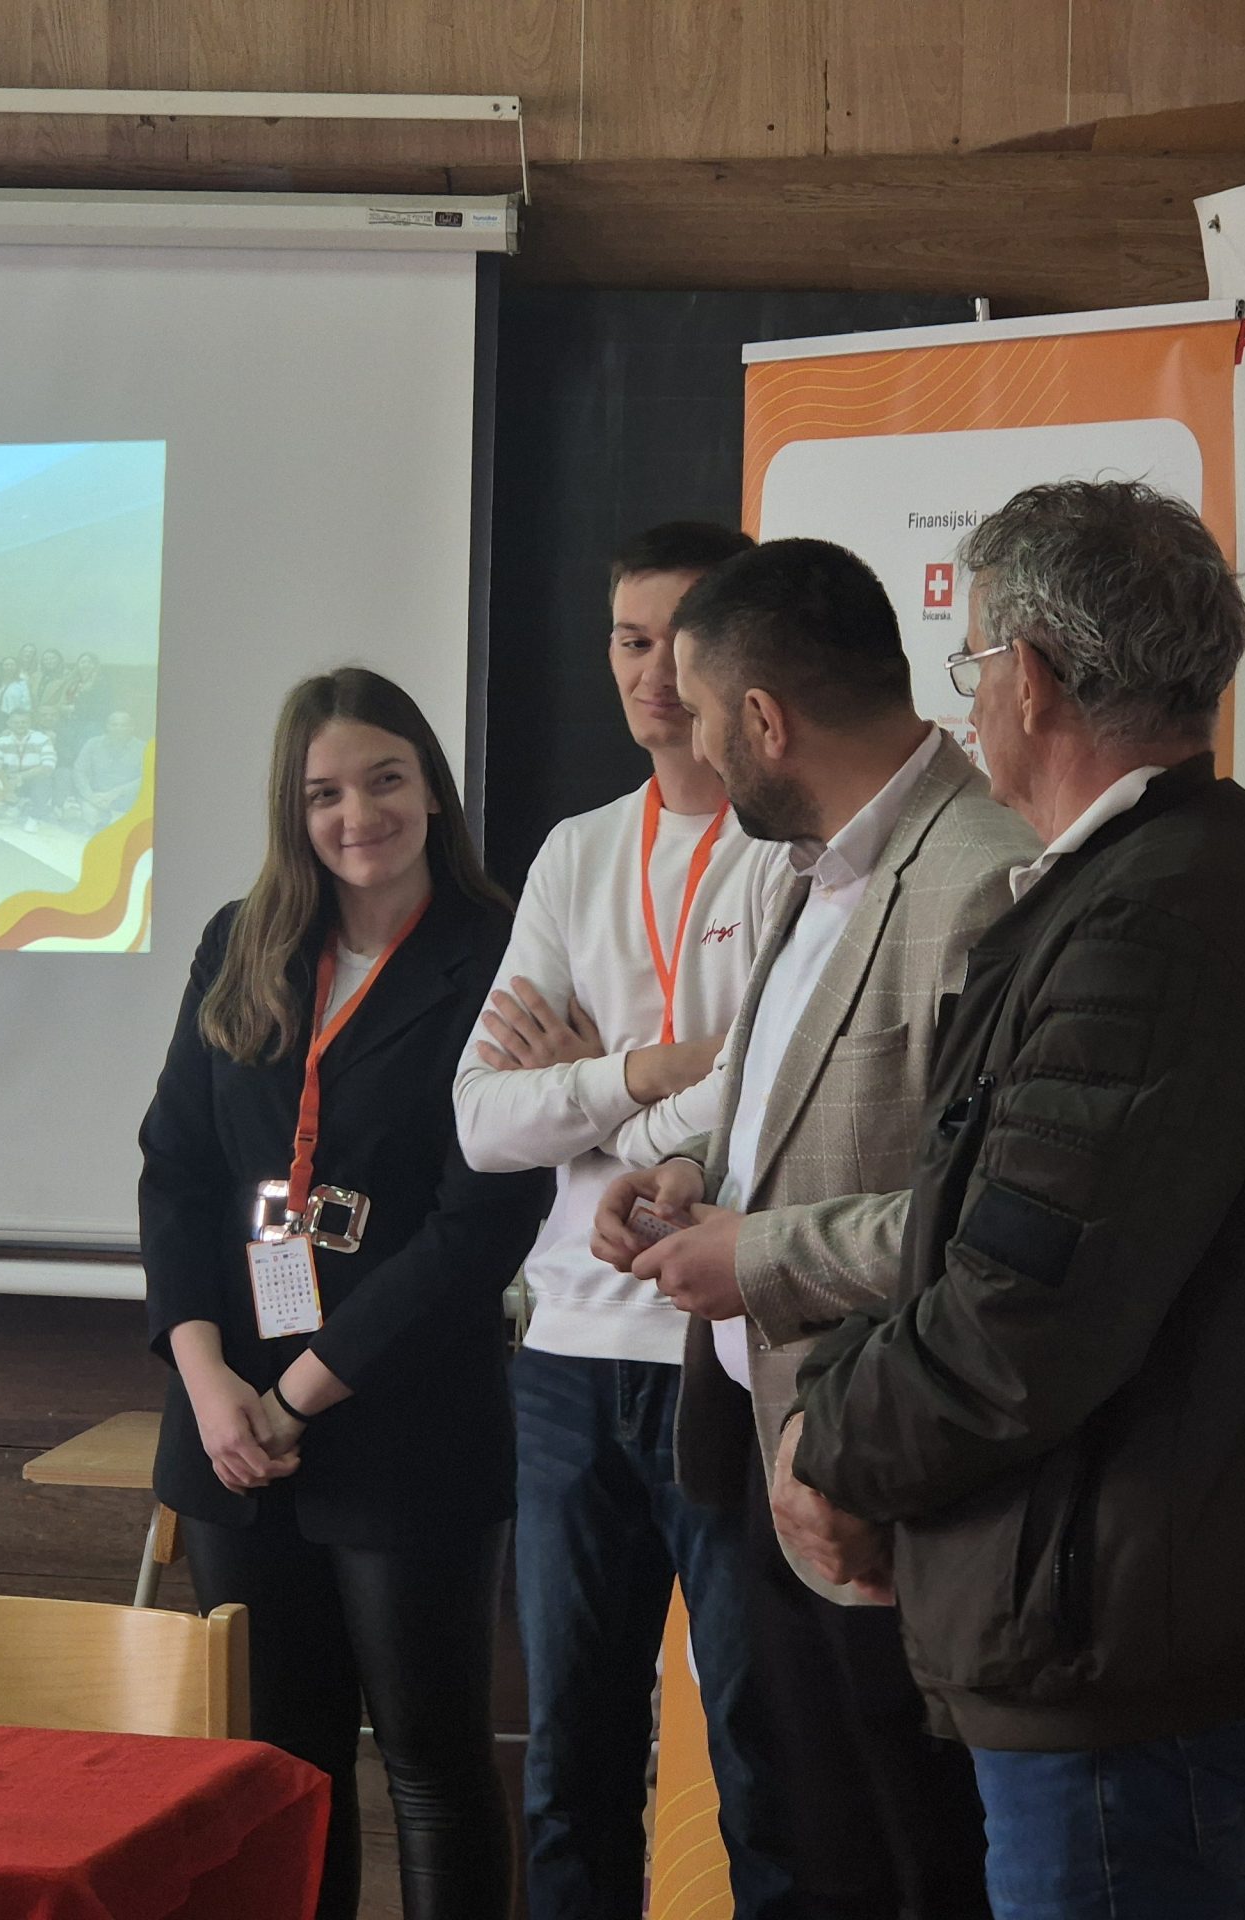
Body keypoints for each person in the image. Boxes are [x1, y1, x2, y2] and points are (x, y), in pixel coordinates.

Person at [765, 480, 1245, 1920]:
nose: (967, 698)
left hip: (1119, 1643)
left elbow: (1017, 1318)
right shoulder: (1151, 886)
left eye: (974, 660)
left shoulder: (1153, 921)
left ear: (1036, 679)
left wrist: (829, 1440)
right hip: (1115, 1608)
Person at [591, 535, 1035, 1920]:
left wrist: (754, 1254)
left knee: (915, 1867)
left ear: (766, 720)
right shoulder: (801, 864)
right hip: (760, 1452)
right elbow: (775, 1103)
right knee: (805, 1851)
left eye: (705, 718)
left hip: (891, 1478)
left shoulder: (987, 880)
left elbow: (993, 1227)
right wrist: (687, 1173)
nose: (696, 750)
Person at [138, 668, 552, 1920]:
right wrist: (210, 1384)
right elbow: (177, 1169)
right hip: (231, 1423)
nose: (357, 815)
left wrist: (297, 1399)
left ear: (431, 788)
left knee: (429, 1764)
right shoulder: (241, 940)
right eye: (323, 793)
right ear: (292, 809)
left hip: (407, 1415)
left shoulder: (503, 953)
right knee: (279, 1771)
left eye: (384, 780)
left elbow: (482, 1222)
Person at [451, 522, 798, 1920]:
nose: (655, 672)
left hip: (727, 1353)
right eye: (628, 639)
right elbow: (483, 1122)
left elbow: (772, 1096)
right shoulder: (577, 851)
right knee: (567, 1767)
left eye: (682, 638)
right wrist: (651, 1070)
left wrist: (593, 1094)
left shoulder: (793, 851)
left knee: (762, 1763)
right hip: (567, 1363)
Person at [68, 708, 148, 831]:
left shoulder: (143, 748)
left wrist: (117, 792)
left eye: (123, 725)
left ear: (132, 727)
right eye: (114, 725)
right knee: (91, 815)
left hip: (127, 798)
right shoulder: (93, 743)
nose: (118, 728)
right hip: (96, 796)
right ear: (107, 726)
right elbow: (79, 771)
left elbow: (147, 777)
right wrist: (90, 795)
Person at [0, 712, 58, 830]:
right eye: (16, 722)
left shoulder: (42, 739)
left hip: (33, 779)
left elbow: (48, 765)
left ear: (30, 723)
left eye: (24, 722)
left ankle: (34, 817)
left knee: (44, 780)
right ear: (8, 724)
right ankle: (15, 805)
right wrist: (6, 786)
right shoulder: (1, 741)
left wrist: (21, 776)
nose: (20, 725)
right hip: (11, 781)